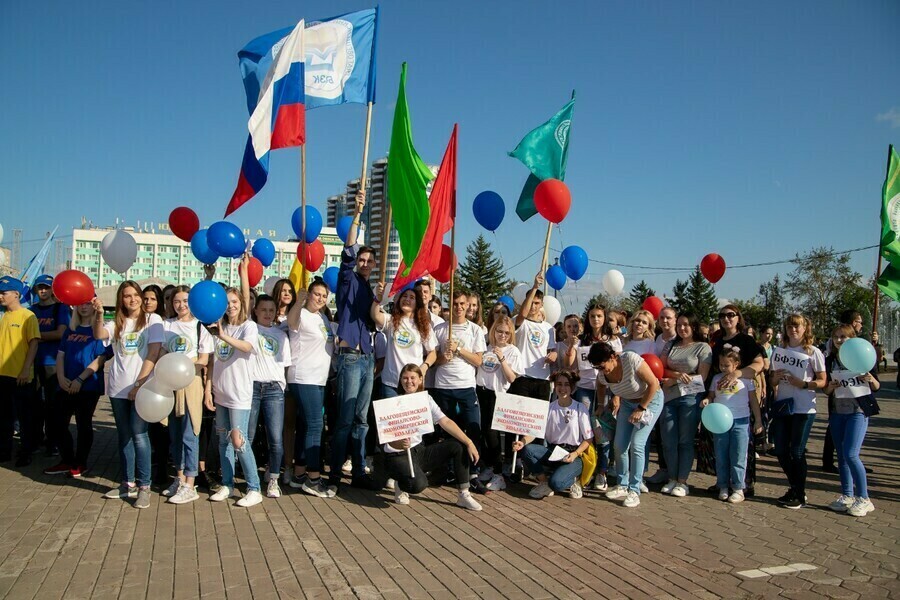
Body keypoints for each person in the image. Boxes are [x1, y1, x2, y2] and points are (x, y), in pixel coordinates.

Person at [92, 282, 164, 508]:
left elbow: (153, 352)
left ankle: (144, 487)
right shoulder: (118, 323)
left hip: (141, 388)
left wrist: (139, 383)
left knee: (139, 435)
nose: (132, 299)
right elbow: (98, 334)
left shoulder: (153, 320)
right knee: (124, 436)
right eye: (126, 296)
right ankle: (127, 483)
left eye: (136, 295)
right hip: (117, 388)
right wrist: (99, 314)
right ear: (120, 299)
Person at [374, 364, 482, 510]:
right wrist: (399, 443)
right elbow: (386, 442)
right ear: (400, 381)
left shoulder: (426, 400)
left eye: (413, 378)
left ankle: (464, 495)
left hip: (419, 451)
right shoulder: (392, 404)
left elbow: (445, 421)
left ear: (420, 379)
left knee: (458, 445)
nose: (409, 381)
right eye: (405, 378)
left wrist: (469, 442)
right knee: (418, 484)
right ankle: (401, 483)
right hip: (398, 454)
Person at [330, 189, 379, 491]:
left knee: (362, 420)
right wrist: (358, 212)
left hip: (367, 360)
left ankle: (359, 470)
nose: (364, 262)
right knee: (345, 420)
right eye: (361, 258)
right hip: (349, 358)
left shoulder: (371, 289)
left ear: (373, 264)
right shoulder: (347, 281)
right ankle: (335, 472)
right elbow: (348, 249)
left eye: (369, 260)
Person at [204, 276, 264, 507]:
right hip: (221, 393)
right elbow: (212, 361)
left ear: (241, 302)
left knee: (239, 440)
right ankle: (227, 484)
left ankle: (254, 487)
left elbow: (247, 347)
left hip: (240, 394)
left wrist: (222, 336)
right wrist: (208, 390)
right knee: (223, 440)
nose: (231, 306)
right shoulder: (219, 326)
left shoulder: (248, 327)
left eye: (234, 301)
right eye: (226, 302)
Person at [700, 304, 765, 496]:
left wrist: (738, 373)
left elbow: (760, 363)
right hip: (719, 400)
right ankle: (722, 482)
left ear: (738, 317)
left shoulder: (746, 340)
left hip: (741, 397)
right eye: (722, 315)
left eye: (731, 315)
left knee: (741, 449)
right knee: (720, 448)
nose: (726, 318)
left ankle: (743, 484)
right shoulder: (716, 340)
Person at [590, 342, 663, 508]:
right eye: (597, 368)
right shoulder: (602, 373)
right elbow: (600, 384)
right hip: (628, 404)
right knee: (619, 445)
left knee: (637, 445)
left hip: (650, 401)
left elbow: (654, 384)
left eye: (602, 366)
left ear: (613, 357)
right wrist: (601, 404)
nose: (601, 371)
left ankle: (634, 490)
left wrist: (641, 408)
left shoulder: (630, 359)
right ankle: (622, 485)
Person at [159, 285, 213, 505]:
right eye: (176, 301)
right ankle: (180, 479)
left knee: (191, 434)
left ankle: (191, 483)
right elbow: (161, 353)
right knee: (175, 435)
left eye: (185, 301)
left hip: (191, 385)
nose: (180, 305)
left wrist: (184, 365)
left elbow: (203, 360)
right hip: (169, 386)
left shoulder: (201, 328)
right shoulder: (166, 326)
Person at [44, 301, 107, 477]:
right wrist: (61, 378)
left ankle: (80, 463)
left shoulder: (99, 332)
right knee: (58, 423)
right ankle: (66, 459)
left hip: (88, 386)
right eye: (80, 304)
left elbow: (100, 359)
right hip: (65, 383)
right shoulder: (71, 330)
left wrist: (80, 379)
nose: (84, 307)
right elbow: (61, 355)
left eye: (88, 303)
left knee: (83, 424)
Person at [286, 278, 337, 498]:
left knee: (307, 426)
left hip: (319, 378)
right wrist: (298, 302)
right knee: (316, 426)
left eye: (324, 296)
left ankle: (299, 474)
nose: (320, 299)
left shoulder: (323, 318)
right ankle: (314, 478)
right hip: (303, 376)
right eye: (317, 294)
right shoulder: (302, 314)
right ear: (309, 295)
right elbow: (291, 322)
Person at [769, 314, 826, 509]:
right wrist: (775, 378)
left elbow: (822, 380)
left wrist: (803, 384)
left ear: (805, 329)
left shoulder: (812, 352)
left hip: (804, 407)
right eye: (789, 326)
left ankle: (799, 493)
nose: (793, 330)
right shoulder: (780, 350)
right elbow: (772, 381)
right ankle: (795, 487)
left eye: (797, 326)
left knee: (797, 451)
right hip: (784, 405)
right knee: (781, 450)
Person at [823, 325, 879, 517]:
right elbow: (826, 390)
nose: (839, 340)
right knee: (841, 455)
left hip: (858, 412)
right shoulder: (830, 360)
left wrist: (871, 379)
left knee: (851, 454)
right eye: (836, 337)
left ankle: (864, 498)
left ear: (852, 338)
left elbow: (877, 386)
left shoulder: (861, 356)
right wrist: (830, 387)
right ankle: (847, 495)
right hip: (838, 412)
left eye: (843, 337)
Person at [513, 370, 593, 500]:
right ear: (555, 386)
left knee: (557, 483)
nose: (562, 388)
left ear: (572, 387)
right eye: (559, 384)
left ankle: (575, 480)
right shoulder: (549, 408)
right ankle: (544, 483)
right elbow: (535, 431)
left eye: (566, 384)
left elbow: (588, 439)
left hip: (573, 454)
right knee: (527, 450)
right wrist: (522, 442)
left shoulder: (579, 408)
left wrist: (575, 454)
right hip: (553, 451)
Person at [433, 291, 486, 484]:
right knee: (446, 432)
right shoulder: (439, 328)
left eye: (462, 304)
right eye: (455, 303)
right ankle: (449, 469)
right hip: (444, 386)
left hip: (465, 386)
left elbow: (479, 360)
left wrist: (458, 349)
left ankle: (473, 471)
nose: (459, 307)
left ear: (467, 305)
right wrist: (442, 357)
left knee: (473, 429)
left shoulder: (475, 330)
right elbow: (433, 359)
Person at [659, 313, 711, 497]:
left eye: (686, 325)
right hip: (668, 398)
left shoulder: (702, 348)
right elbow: (661, 368)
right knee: (668, 441)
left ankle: (683, 481)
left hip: (690, 399)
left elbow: (701, 378)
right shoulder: (671, 345)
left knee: (685, 441)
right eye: (679, 324)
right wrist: (674, 377)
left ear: (694, 327)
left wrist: (675, 382)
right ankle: (672, 478)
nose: (682, 328)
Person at [703, 349, 764, 503]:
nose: (723, 368)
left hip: (740, 421)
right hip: (719, 423)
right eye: (721, 365)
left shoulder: (746, 381)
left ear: (736, 364)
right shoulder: (716, 379)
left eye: (727, 365)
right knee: (721, 454)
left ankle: (738, 488)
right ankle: (722, 485)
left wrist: (758, 420)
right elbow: (711, 395)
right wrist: (707, 400)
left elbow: (754, 401)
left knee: (738, 455)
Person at [247, 294, 291, 498]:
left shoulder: (281, 335)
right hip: (252, 387)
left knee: (275, 438)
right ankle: (250, 479)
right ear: (255, 311)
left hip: (274, 389)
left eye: (271, 310)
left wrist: (283, 387)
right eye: (263, 310)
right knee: (248, 436)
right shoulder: (249, 329)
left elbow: (285, 365)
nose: (267, 314)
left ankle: (273, 478)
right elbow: (245, 297)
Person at [475, 314, 523, 491]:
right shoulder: (486, 347)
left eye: (506, 333)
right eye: (499, 331)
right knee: (484, 433)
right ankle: (489, 467)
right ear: (493, 331)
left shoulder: (513, 351)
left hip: (497, 395)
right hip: (481, 392)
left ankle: (498, 474)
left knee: (493, 434)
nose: (502, 335)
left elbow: (511, 378)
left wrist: (502, 359)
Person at [0, 277, 41, 466]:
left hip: (21, 376)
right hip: (2, 374)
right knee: (5, 417)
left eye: (4, 292)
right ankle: (5, 451)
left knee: (25, 417)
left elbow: (33, 343)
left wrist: (25, 370)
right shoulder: (2, 316)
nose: (1, 296)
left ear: (16, 294)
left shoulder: (28, 316)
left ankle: (25, 452)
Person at [370, 286, 437, 399]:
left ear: (417, 303)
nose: (407, 299)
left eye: (412, 297)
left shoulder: (424, 325)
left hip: (413, 384)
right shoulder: (391, 321)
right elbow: (375, 315)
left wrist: (424, 368)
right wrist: (377, 299)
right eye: (404, 296)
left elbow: (433, 353)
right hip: (391, 383)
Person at [30, 275, 71, 457]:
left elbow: (61, 333)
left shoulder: (60, 309)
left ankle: (52, 442)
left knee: (53, 406)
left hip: (53, 364)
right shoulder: (31, 311)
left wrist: (35, 337)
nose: (43, 291)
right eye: (40, 287)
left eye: (47, 287)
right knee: (34, 405)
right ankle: (35, 439)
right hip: (33, 363)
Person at [510, 272, 557, 401]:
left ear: (541, 304)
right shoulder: (519, 321)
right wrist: (535, 286)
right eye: (531, 302)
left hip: (542, 379)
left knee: (539, 419)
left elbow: (552, 351)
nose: (533, 306)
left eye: (537, 303)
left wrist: (554, 355)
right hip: (522, 377)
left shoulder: (549, 328)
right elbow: (522, 315)